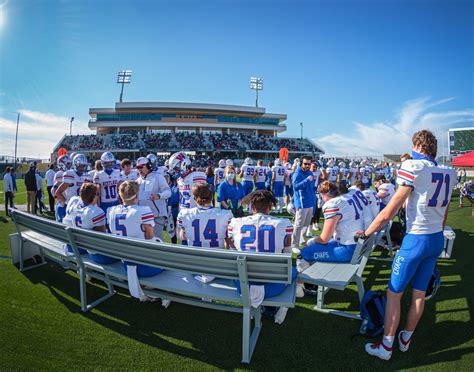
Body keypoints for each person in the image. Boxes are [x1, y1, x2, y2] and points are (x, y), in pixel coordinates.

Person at [360, 130, 455, 361]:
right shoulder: (449, 171)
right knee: (419, 294)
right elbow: (444, 214)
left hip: (416, 239)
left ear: (419, 146)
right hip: (435, 238)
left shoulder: (415, 166)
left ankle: (386, 346)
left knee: (394, 294)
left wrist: (366, 232)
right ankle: (405, 338)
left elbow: (388, 211)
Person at [228, 190, 295, 324]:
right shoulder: (284, 223)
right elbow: (287, 254)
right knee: (293, 270)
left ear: (251, 207)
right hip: (272, 286)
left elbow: (232, 249)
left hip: (243, 285)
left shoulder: (235, 223)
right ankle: (282, 306)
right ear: (270, 207)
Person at [295, 181, 364, 297]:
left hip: (347, 249)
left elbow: (324, 239)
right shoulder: (346, 198)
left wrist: (310, 241)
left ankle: (306, 287)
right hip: (356, 246)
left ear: (324, 194)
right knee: (315, 248)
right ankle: (313, 280)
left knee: (303, 254)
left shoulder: (332, 204)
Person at [177, 183, 233, 281]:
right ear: (212, 196)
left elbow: (183, 236)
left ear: (194, 198)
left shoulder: (184, 214)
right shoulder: (226, 215)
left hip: (195, 264)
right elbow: (229, 241)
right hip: (217, 265)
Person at [108, 181, 162, 276]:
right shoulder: (143, 211)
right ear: (137, 194)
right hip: (144, 265)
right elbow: (150, 238)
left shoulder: (111, 211)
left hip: (125, 262)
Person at [63, 183, 107, 257]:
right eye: (98, 194)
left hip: (75, 245)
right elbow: (102, 237)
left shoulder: (74, 207)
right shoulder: (96, 212)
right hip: (93, 252)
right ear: (94, 196)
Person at [135, 156, 171, 240]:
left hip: (156, 216)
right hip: (143, 217)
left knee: (156, 241)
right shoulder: (137, 181)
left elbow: (168, 192)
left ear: (148, 166)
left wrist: (159, 196)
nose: (139, 169)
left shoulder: (158, 177)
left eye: (141, 167)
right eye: (137, 167)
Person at [291, 156, 315, 249]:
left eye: (309, 164)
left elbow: (312, 189)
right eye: (305, 164)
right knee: (298, 225)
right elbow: (296, 187)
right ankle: (294, 245)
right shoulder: (297, 174)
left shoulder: (310, 173)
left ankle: (302, 241)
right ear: (301, 164)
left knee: (306, 224)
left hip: (310, 202)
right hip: (302, 203)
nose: (307, 166)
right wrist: (306, 180)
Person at [52, 154, 73, 222]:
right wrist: (62, 201)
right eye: (68, 164)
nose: (70, 165)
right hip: (62, 205)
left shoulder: (67, 173)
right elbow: (53, 191)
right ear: (62, 164)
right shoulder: (60, 173)